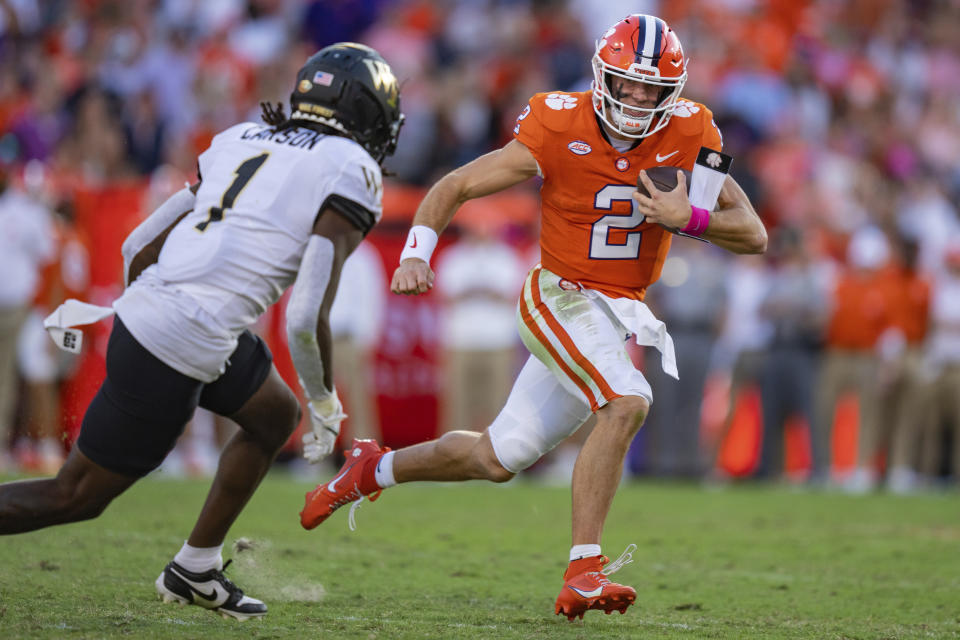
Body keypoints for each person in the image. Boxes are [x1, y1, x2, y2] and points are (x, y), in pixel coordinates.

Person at [300, 14, 766, 621]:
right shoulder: (557, 122)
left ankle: (372, 468)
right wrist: (416, 251)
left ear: (670, 95)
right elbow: (457, 184)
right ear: (602, 77)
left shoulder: (692, 131)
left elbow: (752, 233)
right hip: (559, 293)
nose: (635, 99)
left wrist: (692, 219)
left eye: (650, 90)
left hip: (617, 311)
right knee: (627, 401)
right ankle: (585, 571)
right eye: (625, 84)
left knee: (495, 458)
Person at [0, 43, 403, 620]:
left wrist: (151, 310)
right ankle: (192, 565)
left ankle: (195, 566)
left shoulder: (241, 137)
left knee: (271, 415)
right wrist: (324, 398)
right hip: (182, 337)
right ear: (363, 109)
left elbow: (136, 244)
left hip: (172, 319)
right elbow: (305, 310)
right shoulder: (351, 169)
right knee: (74, 495)